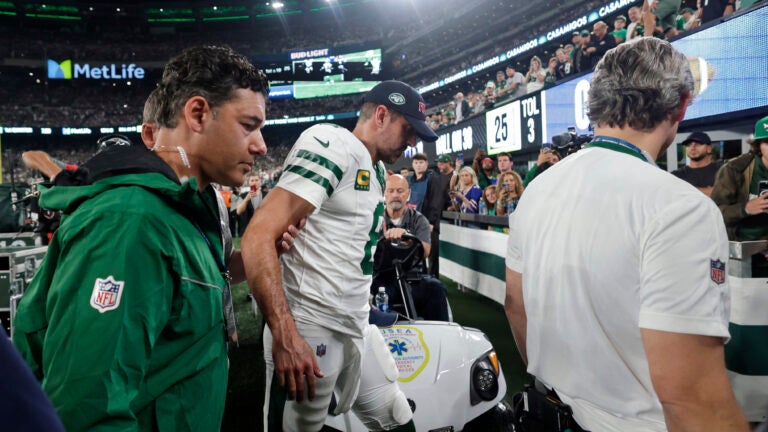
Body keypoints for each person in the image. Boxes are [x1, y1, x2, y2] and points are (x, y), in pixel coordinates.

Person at [12, 45, 295, 431]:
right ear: (197, 114)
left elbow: (187, 283)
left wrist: (260, 255)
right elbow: (89, 405)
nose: (261, 145)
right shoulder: (128, 221)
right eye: (249, 125)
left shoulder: (184, 205)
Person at [505, 37, 748, 431]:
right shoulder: (679, 207)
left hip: (545, 411)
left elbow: (515, 303)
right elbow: (691, 398)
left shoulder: (539, 188)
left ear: (596, 101)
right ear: (682, 104)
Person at [241, 80, 437, 431]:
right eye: (408, 130)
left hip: (354, 322)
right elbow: (258, 234)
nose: (412, 142)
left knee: (395, 415)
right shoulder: (332, 144)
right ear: (381, 114)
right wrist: (286, 334)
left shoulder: (377, 169)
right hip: (310, 323)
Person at [372, 174, 449, 321]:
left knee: (436, 288)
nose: (395, 195)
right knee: (371, 291)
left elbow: (426, 251)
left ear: (408, 194)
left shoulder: (420, 220)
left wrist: (406, 235)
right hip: (382, 278)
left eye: (400, 191)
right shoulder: (374, 220)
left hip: (413, 277)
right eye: (391, 191)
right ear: (384, 194)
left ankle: (439, 335)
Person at [711, 115, 768, 243]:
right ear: (758, 145)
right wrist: (746, 208)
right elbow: (714, 213)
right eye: (767, 142)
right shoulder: (735, 169)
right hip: (743, 248)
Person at [422, 154, 455, 277]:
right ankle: (432, 278)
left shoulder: (455, 176)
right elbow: (430, 200)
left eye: (441, 163)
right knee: (432, 253)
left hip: (447, 221)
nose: (439, 165)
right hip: (434, 220)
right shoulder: (436, 178)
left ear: (448, 163)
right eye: (438, 163)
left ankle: (433, 279)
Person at [671, 131, 722, 196]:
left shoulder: (722, 170)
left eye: (698, 144)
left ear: (709, 148)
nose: (693, 148)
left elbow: (725, 193)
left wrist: (686, 190)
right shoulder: (676, 175)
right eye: (688, 145)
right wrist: (707, 190)